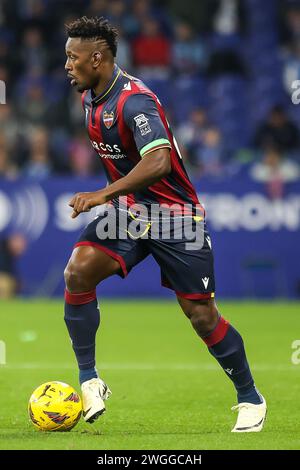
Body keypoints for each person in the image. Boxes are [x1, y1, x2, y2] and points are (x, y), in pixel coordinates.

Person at [64, 16, 267, 432]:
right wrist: (115, 198)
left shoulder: (135, 101)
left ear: (97, 58)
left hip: (176, 218)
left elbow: (157, 162)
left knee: (201, 316)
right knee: (78, 272)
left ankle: (250, 398)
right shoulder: (90, 98)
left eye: (73, 57)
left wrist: (103, 194)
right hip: (130, 213)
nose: (66, 64)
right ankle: (90, 380)